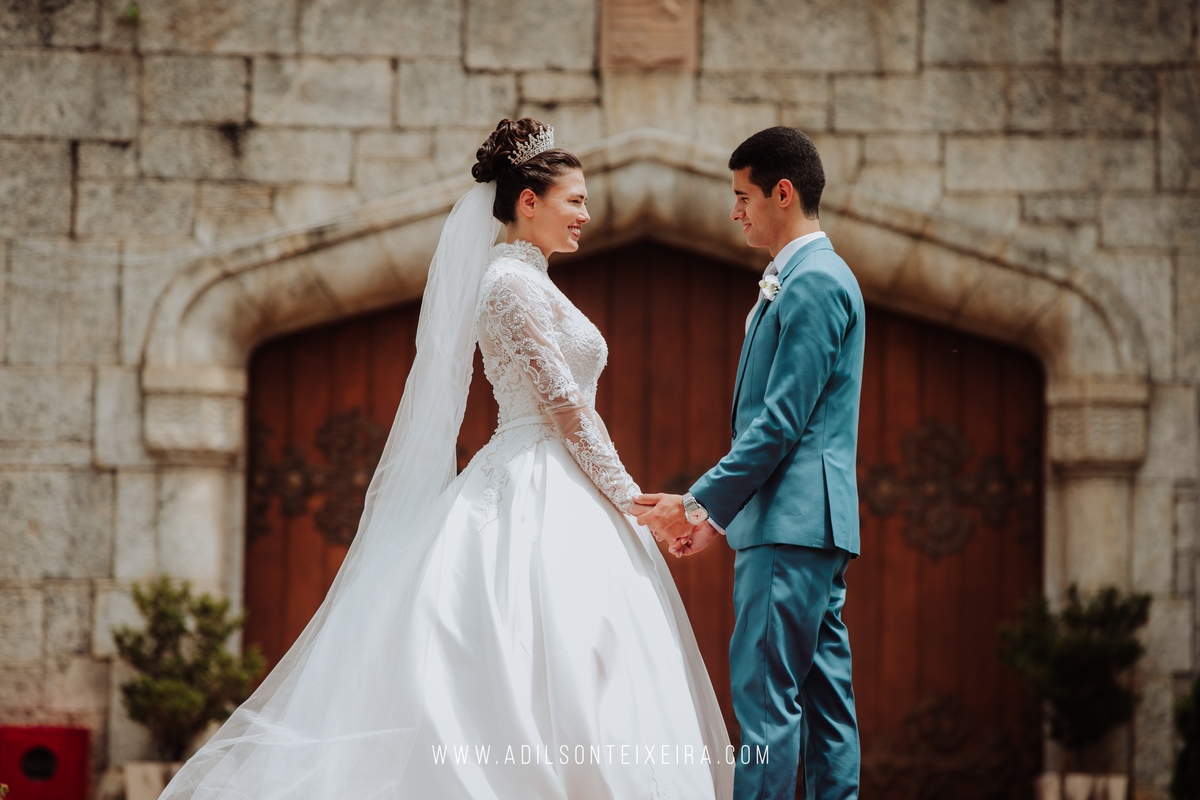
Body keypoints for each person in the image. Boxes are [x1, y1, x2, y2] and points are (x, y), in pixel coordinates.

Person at [159, 118, 732, 799]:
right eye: (575, 200)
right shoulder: (509, 285)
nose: (586, 214)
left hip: (560, 478)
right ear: (529, 201)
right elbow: (566, 409)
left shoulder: (534, 282)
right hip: (536, 478)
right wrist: (638, 506)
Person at [635, 127, 865, 800]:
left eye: (743, 196)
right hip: (808, 526)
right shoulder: (808, 277)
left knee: (766, 704)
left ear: (782, 193)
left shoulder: (812, 282)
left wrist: (697, 504)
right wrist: (716, 522)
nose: (735, 211)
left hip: (790, 526)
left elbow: (781, 421)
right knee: (825, 704)